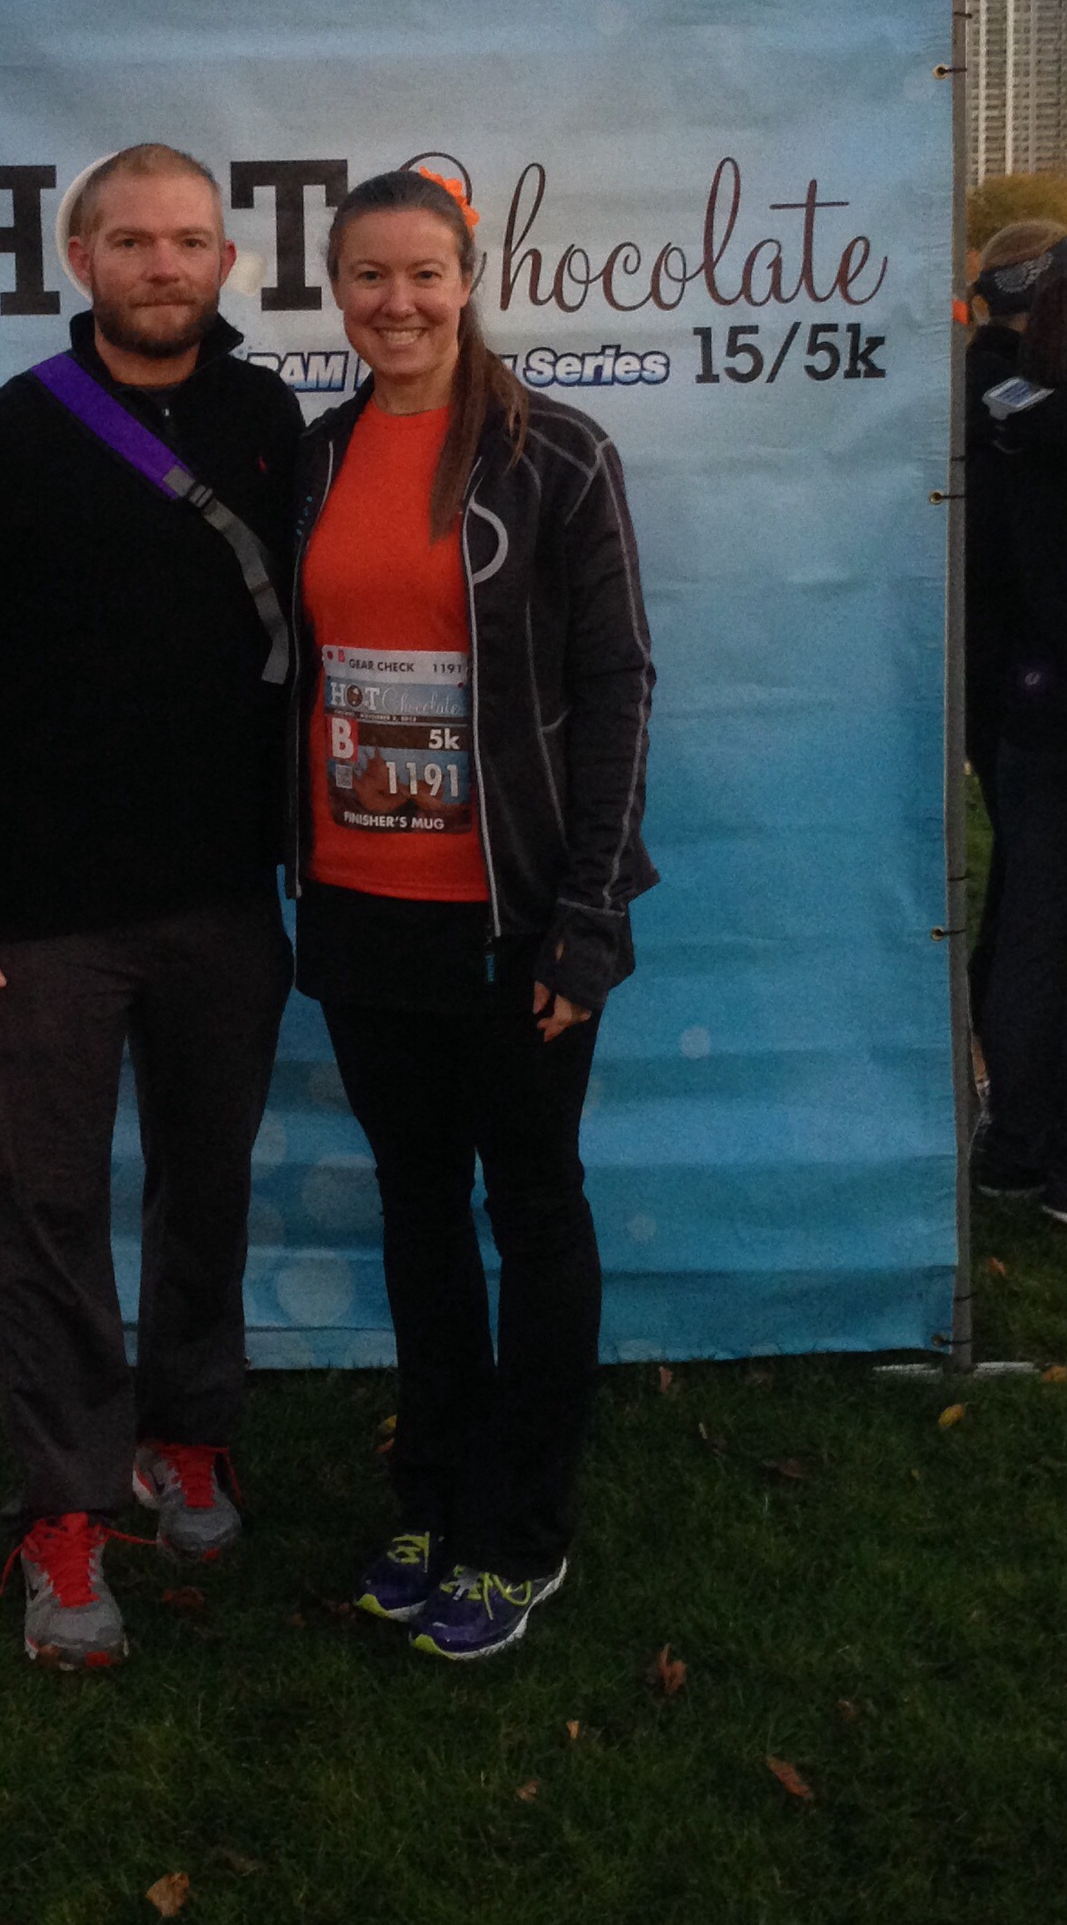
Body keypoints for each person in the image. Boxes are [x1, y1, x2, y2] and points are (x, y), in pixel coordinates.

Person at [0, 143, 302, 1667]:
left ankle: (188, 1433)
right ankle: (63, 1505)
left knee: (209, 1187)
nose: (163, 265)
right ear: (80, 257)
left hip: (227, 903)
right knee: (47, 1215)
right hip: (44, 917)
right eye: (133, 241)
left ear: (227, 261)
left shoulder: (269, 423)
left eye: (188, 240)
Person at [287, 169, 656, 1661]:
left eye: (423, 274)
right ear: (337, 290)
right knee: (418, 1209)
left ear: (467, 278)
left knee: (535, 1209)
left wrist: (589, 918)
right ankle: (433, 1497)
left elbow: (618, 683)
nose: (398, 303)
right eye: (368, 277)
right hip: (360, 906)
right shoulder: (316, 454)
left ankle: (522, 1529)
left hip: (514, 918)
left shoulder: (555, 453)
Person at [972, 253, 1067, 1229]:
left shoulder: (1012, 415)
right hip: (1056, 708)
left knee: (1027, 933)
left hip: (1033, 710)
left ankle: (1016, 1148)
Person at [964, 223, 1067, 1041]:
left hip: (1009, 667)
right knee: (1035, 891)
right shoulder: (1007, 390)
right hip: (1025, 671)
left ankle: (1001, 1045)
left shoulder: (992, 386)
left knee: (1026, 885)